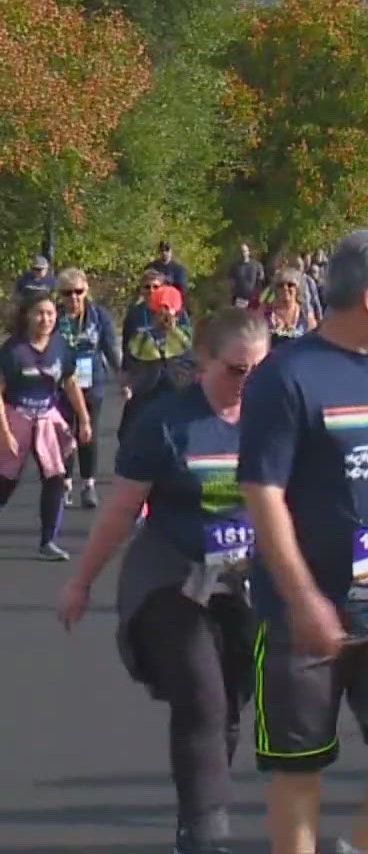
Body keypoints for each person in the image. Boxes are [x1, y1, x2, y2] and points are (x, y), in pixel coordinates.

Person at [238, 229, 368, 854]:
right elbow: (262, 493)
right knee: (298, 767)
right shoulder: (287, 377)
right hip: (305, 617)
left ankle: (361, 847)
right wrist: (302, 598)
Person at [56, 309, 268, 854]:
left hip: (244, 580)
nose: (246, 381)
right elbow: (122, 510)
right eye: (235, 370)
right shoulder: (167, 422)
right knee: (200, 695)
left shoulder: (275, 421)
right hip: (171, 574)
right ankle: (204, 830)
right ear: (203, 362)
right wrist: (81, 583)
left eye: (258, 370)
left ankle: (200, 799)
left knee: (231, 696)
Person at [0, 290, 90, 560]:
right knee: (5, 481)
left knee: (55, 477)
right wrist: (5, 433)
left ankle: (48, 541)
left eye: (50, 313)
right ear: (27, 316)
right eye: (39, 313)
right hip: (16, 417)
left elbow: (70, 383)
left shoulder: (61, 346)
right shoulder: (13, 350)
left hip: (47, 417)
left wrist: (84, 419)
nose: (45, 319)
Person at [54, 267, 119, 510]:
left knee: (87, 432)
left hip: (91, 380)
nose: (73, 298)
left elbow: (111, 348)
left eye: (78, 292)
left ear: (86, 290)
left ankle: (88, 484)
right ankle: (65, 484)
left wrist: (122, 377)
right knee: (64, 434)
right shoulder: (55, 316)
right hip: (61, 384)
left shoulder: (97, 315)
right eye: (67, 293)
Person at [122, 284, 195, 438]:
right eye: (159, 312)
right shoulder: (141, 339)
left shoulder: (188, 337)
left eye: (167, 313)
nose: (163, 317)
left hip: (176, 402)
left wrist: (173, 330)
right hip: (148, 402)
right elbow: (131, 364)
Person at [231, 243, 266, 308]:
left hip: (253, 300)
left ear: (248, 252)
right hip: (239, 300)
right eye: (241, 251)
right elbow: (231, 282)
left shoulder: (257, 265)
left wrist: (258, 297)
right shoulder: (235, 266)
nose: (243, 253)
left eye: (245, 251)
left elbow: (261, 283)